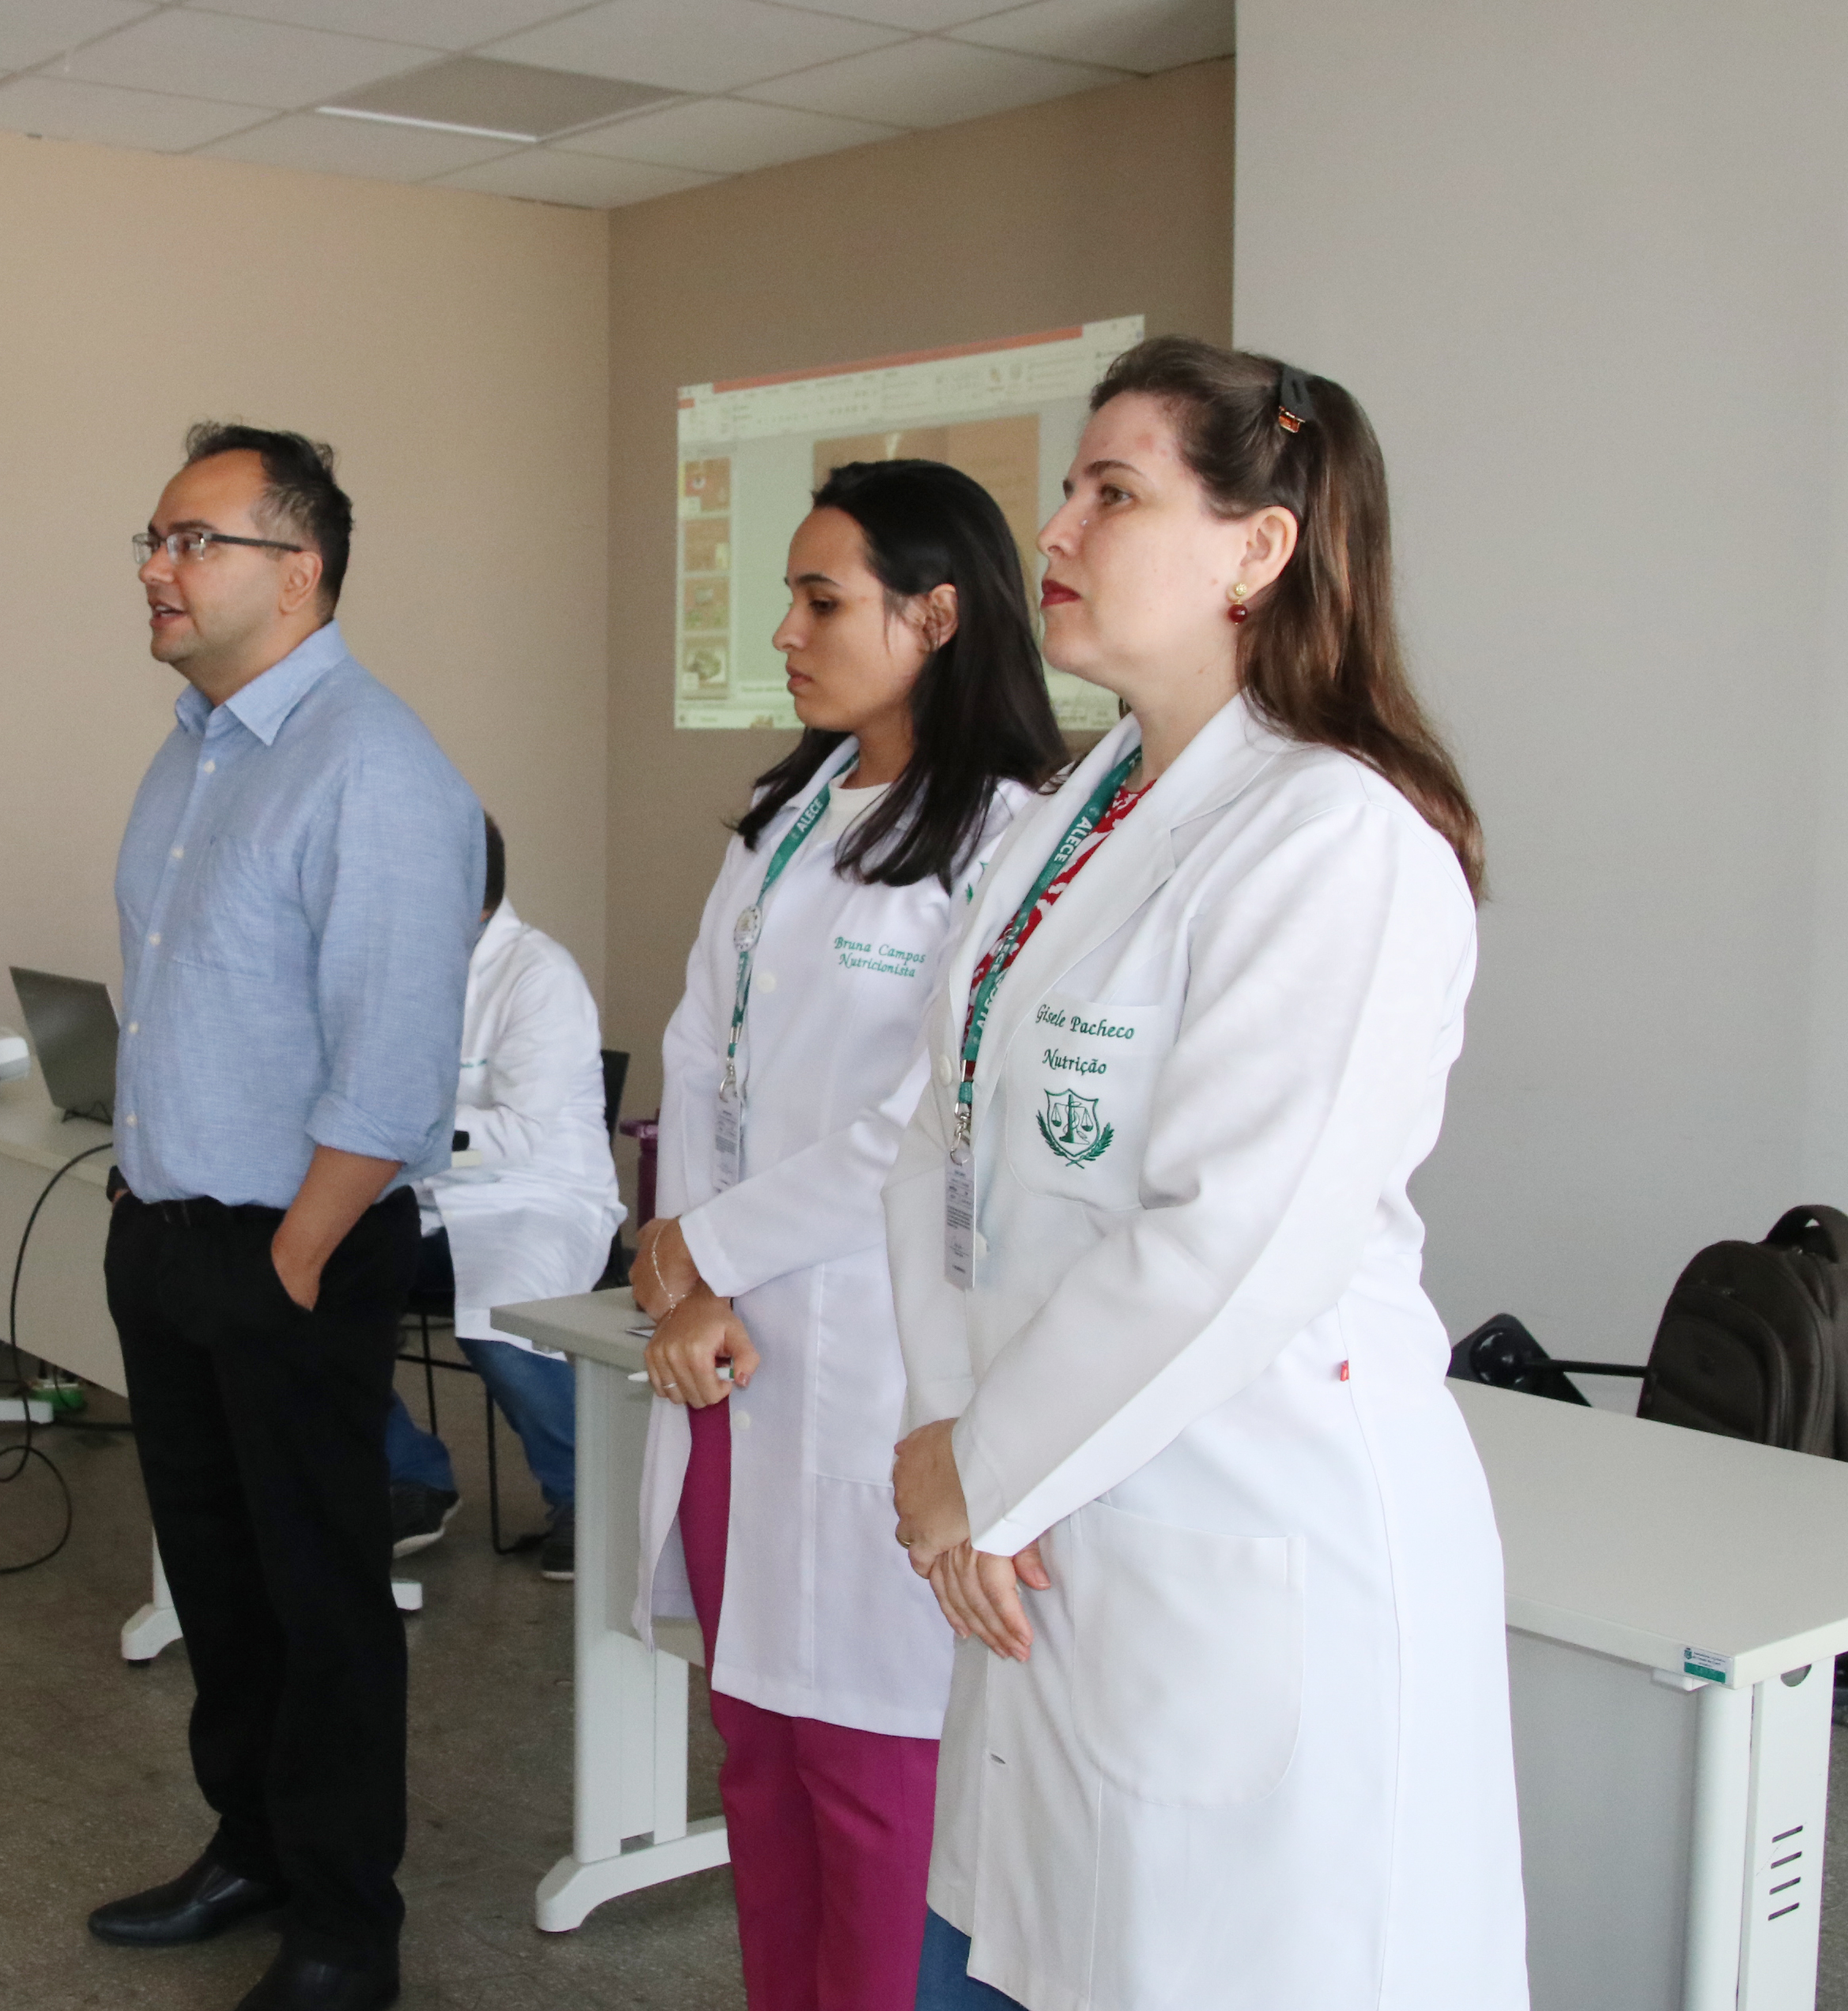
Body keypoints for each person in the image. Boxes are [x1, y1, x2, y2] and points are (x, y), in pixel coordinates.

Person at [884, 338, 1526, 2010]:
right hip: (1040, 1535)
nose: (1055, 528)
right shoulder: (1071, 809)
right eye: (1067, 488)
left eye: (1114, 492)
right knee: (1014, 1945)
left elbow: (1233, 1241)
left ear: (1259, 548)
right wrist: (956, 1446)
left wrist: (983, 1466)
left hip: (1239, 1532)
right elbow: (937, 1142)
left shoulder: (1340, 838)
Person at [633, 460, 1067, 2011]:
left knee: (878, 1783)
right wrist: (684, 1274)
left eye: (821, 600)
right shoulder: (787, 817)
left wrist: (710, 1250)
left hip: (883, 1369)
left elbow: (922, 1122)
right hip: (734, 1365)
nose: (785, 633)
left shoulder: (1011, 839)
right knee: (759, 1758)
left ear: (935, 615)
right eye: (788, 599)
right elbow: (698, 1054)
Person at [92, 422, 482, 2011]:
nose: (155, 568)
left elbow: (392, 1066)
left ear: (299, 570)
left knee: (319, 1596)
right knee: (218, 1574)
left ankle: (341, 1924)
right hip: (169, 1235)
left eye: (194, 541)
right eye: (153, 538)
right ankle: (248, 1843)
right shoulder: (197, 747)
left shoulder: (373, 768)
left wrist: (294, 1255)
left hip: (290, 1246)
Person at [384, 813, 625, 1579]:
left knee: (499, 1321)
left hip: (537, 1198)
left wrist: (395, 1129)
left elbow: (518, 1132)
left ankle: (588, 1494)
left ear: (472, 897)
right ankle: (411, 1475)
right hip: (424, 1200)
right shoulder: (401, 966)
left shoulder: (538, 974)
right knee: (314, 1290)